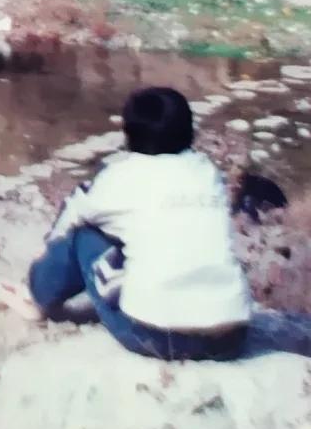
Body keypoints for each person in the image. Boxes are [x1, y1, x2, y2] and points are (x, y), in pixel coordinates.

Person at [26, 86, 251, 361]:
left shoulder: (122, 176)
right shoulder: (208, 172)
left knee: (83, 237)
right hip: (230, 337)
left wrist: (45, 254)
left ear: (129, 134)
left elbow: (76, 212)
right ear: (189, 131)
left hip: (157, 336)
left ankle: (39, 297)